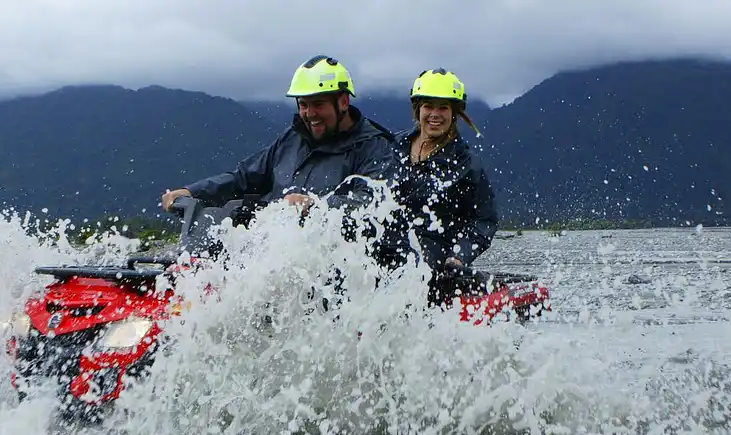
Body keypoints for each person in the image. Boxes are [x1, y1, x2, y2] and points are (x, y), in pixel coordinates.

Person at [160, 55, 395, 232]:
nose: (310, 113)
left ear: (343, 102)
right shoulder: (292, 139)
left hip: (332, 270)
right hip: (266, 255)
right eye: (303, 104)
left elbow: (370, 203)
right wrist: (192, 191)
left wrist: (316, 206)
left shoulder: (375, 146)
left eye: (319, 104)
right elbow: (243, 178)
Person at [372, 68, 498, 279]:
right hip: (384, 244)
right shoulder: (393, 146)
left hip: (430, 258)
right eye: (428, 106)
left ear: (454, 113)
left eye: (443, 108)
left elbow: (484, 221)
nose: (435, 114)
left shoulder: (467, 164)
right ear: (417, 109)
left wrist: (459, 256)